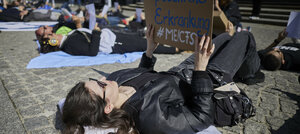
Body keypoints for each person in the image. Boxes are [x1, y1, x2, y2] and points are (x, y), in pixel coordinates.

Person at [60, 24, 264, 133]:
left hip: (180, 70)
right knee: (242, 36)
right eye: (101, 85)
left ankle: (245, 61)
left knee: (222, 38)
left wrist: (149, 51)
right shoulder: (149, 117)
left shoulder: (116, 80)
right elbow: (202, 117)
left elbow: (143, 77)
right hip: (208, 80)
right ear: (107, 107)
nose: (104, 79)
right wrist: (201, 68)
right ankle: (250, 72)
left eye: (95, 79)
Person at [35, 23, 179, 56]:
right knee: (144, 44)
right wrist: (96, 32)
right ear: (53, 42)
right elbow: (92, 52)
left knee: (140, 37)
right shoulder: (70, 45)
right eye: (50, 36)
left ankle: (171, 43)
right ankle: (174, 49)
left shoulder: (68, 39)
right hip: (114, 43)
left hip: (112, 37)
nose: (52, 33)